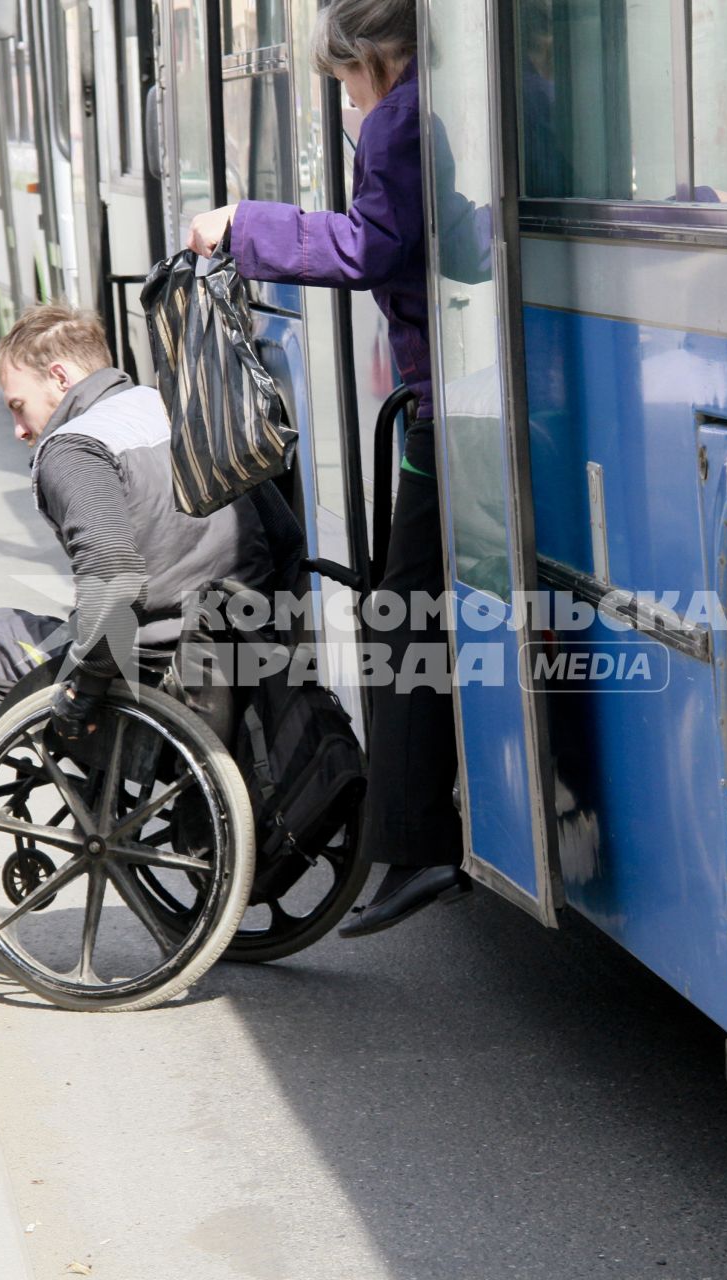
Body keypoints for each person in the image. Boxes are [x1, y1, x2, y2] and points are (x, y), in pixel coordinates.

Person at [186, 0, 469, 937]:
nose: (346, 97)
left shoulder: (398, 117)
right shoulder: (461, 95)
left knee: (402, 618)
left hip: (445, 408)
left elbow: (368, 245)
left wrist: (244, 225)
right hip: (486, 392)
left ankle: (418, 847)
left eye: (345, 78)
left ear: (374, 58)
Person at [0, 304, 272, 826]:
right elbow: (285, 535)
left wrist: (83, 692)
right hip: (233, 658)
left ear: (60, 377)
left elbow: (115, 578)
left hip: (154, 675)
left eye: (18, 406)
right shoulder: (173, 407)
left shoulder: (76, 448)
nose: (19, 430)